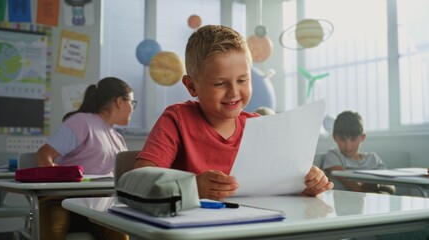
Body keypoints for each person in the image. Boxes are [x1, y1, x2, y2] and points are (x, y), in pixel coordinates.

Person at [134, 25, 333, 200]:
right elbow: (140, 179)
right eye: (220, 83)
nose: (234, 92)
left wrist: (306, 184)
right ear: (192, 86)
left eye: (242, 81)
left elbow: (279, 186)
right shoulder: (177, 119)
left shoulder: (259, 126)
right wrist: (192, 186)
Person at [36, 77, 134, 240]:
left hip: (98, 205)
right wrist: (52, 188)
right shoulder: (82, 122)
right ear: (119, 101)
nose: (132, 108)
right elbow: (43, 155)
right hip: (61, 201)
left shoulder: (117, 138)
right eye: (132, 102)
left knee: (120, 235)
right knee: (54, 230)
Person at [322, 111, 395, 194]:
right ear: (334, 137)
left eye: (353, 140)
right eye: (342, 139)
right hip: (344, 204)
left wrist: (379, 186)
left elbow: (390, 186)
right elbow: (350, 184)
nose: (348, 145)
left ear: (362, 137)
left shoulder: (372, 158)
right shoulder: (333, 155)